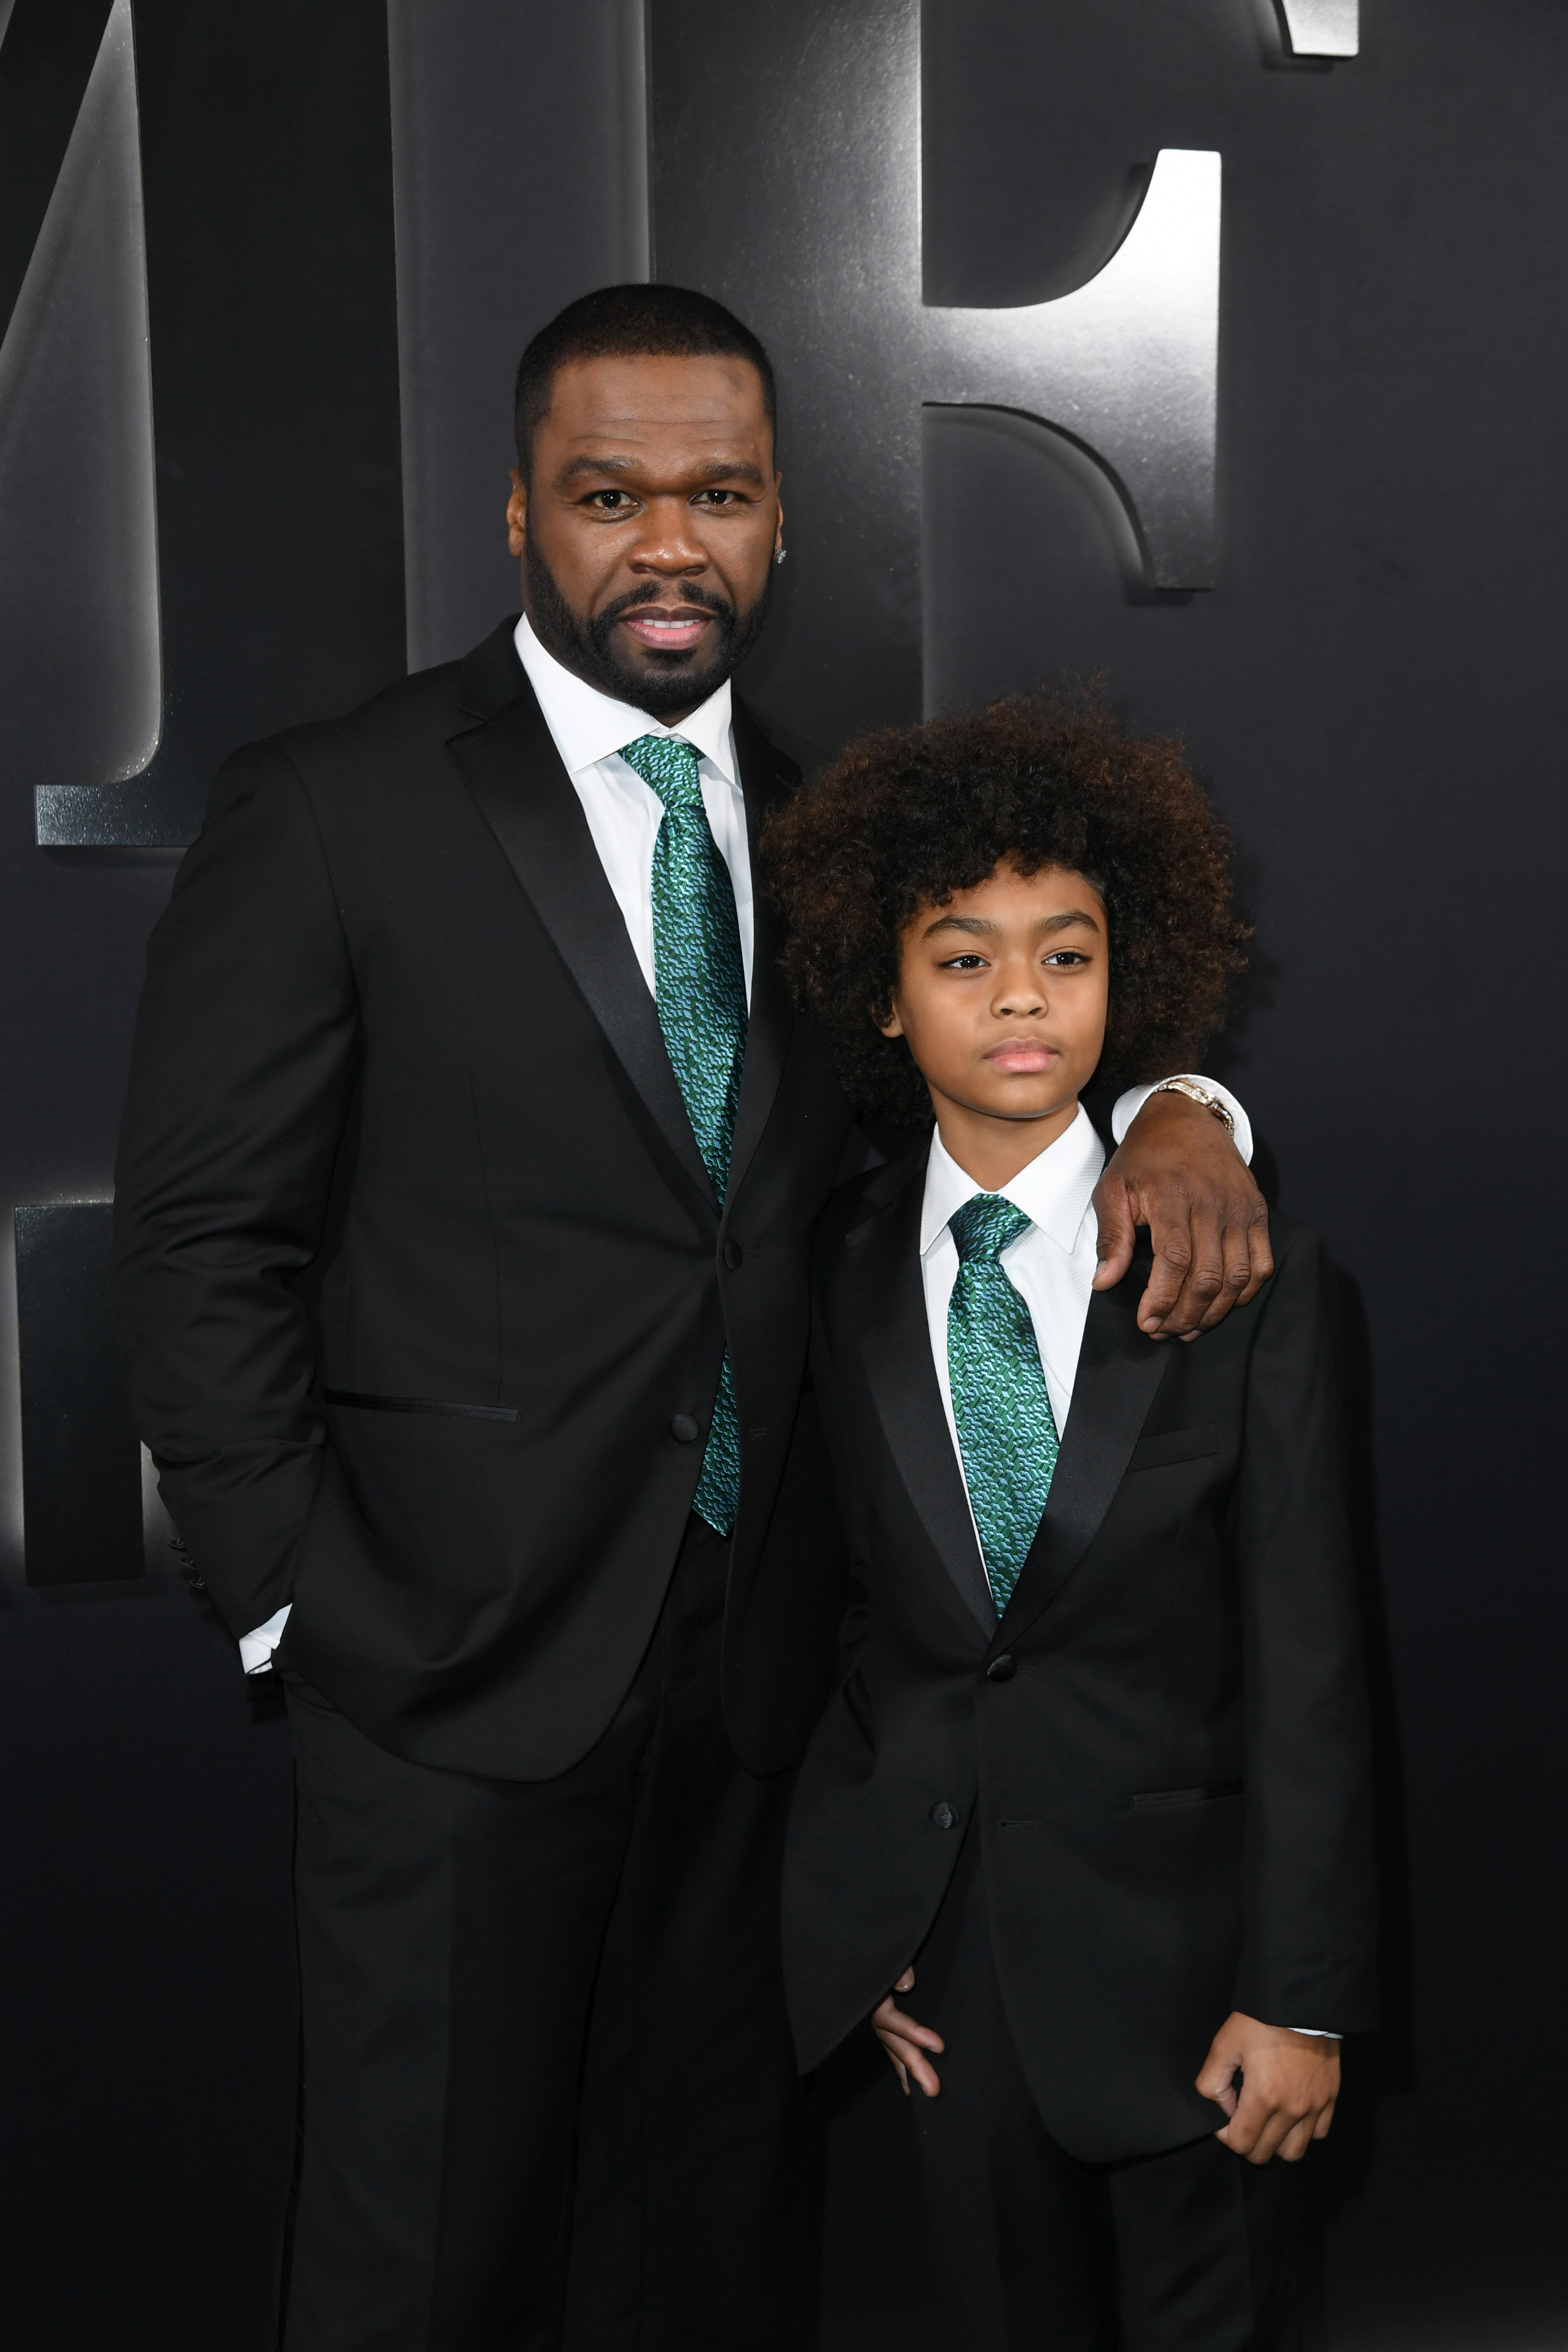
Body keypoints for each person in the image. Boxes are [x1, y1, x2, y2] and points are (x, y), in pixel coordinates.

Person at [111, 286, 1273, 2349]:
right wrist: (299, 1604)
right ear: (515, 517)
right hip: (452, 1683)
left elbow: (1002, 1068)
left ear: (780, 525)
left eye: (719, 495)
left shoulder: (832, 845)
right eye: (610, 495)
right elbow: (205, 1244)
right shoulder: (335, 804)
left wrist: (1187, 1105)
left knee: (713, 2258)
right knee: (421, 2268)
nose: (670, 543)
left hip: (756, 1712)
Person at [767, 692, 1377, 2352]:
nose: (1020, 994)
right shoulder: (829, 1272)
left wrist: (1300, 1993)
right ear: (882, 998)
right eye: (962, 957)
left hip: (1205, 1995)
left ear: (1129, 974)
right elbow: (833, 1619)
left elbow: (1313, 1666)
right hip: (953, 2001)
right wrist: (850, 1919)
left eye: (1066, 951)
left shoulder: (1244, 1278)